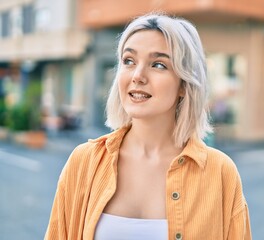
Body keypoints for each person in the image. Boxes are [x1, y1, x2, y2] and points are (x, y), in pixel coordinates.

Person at [45, 13, 252, 240]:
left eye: (158, 64)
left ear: (184, 84)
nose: (138, 76)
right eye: (129, 61)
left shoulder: (221, 173)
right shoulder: (83, 162)